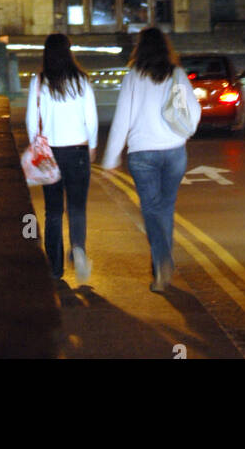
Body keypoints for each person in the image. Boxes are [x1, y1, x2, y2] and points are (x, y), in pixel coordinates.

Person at [102, 26, 200, 291]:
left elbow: (123, 119)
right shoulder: (177, 74)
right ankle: (162, 263)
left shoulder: (133, 77)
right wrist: (185, 133)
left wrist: (111, 158)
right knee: (165, 209)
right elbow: (193, 109)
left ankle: (161, 262)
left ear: (140, 48)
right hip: (174, 151)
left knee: (151, 209)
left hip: (142, 153)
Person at [26, 33, 98, 282]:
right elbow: (92, 119)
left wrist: (37, 145)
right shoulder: (82, 81)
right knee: (77, 207)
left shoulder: (39, 81)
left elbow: (31, 122)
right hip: (77, 151)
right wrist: (92, 146)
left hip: (50, 153)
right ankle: (78, 248)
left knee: (53, 211)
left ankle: (55, 268)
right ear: (69, 52)